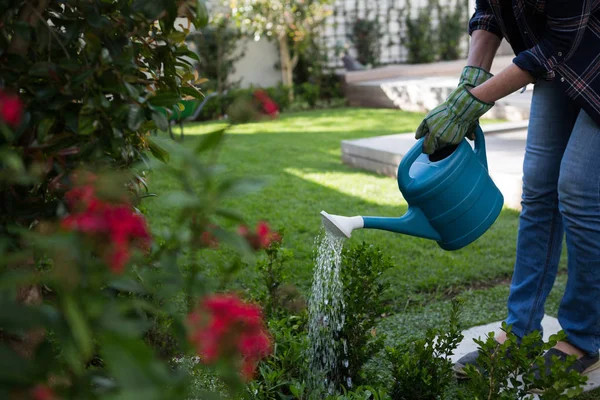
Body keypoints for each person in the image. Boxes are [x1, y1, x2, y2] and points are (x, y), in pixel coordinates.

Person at [416, 0, 600, 379]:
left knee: (579, 190)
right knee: (538, 191)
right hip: (564, 63)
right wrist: (471, 79)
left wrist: (474, 101)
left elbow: (560, 39)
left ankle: (585, 337)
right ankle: (520, 330)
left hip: (578, 48)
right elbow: (488, 12)